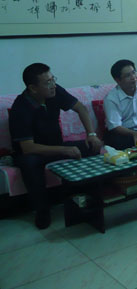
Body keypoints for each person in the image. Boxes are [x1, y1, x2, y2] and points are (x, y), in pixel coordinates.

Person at [9, 63, 104, 229]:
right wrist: (64, 149)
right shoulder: (20, 108)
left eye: (53, 79)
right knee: (30, 164)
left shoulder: (55, 91)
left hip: (56, 145)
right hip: (32, 152)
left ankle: (91, 197)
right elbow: (28, 147)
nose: (53, 85)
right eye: (47, 82)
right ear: (33, 88)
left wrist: (91, 134)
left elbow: (80, 108)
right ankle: (42, 211)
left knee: (92, 146)